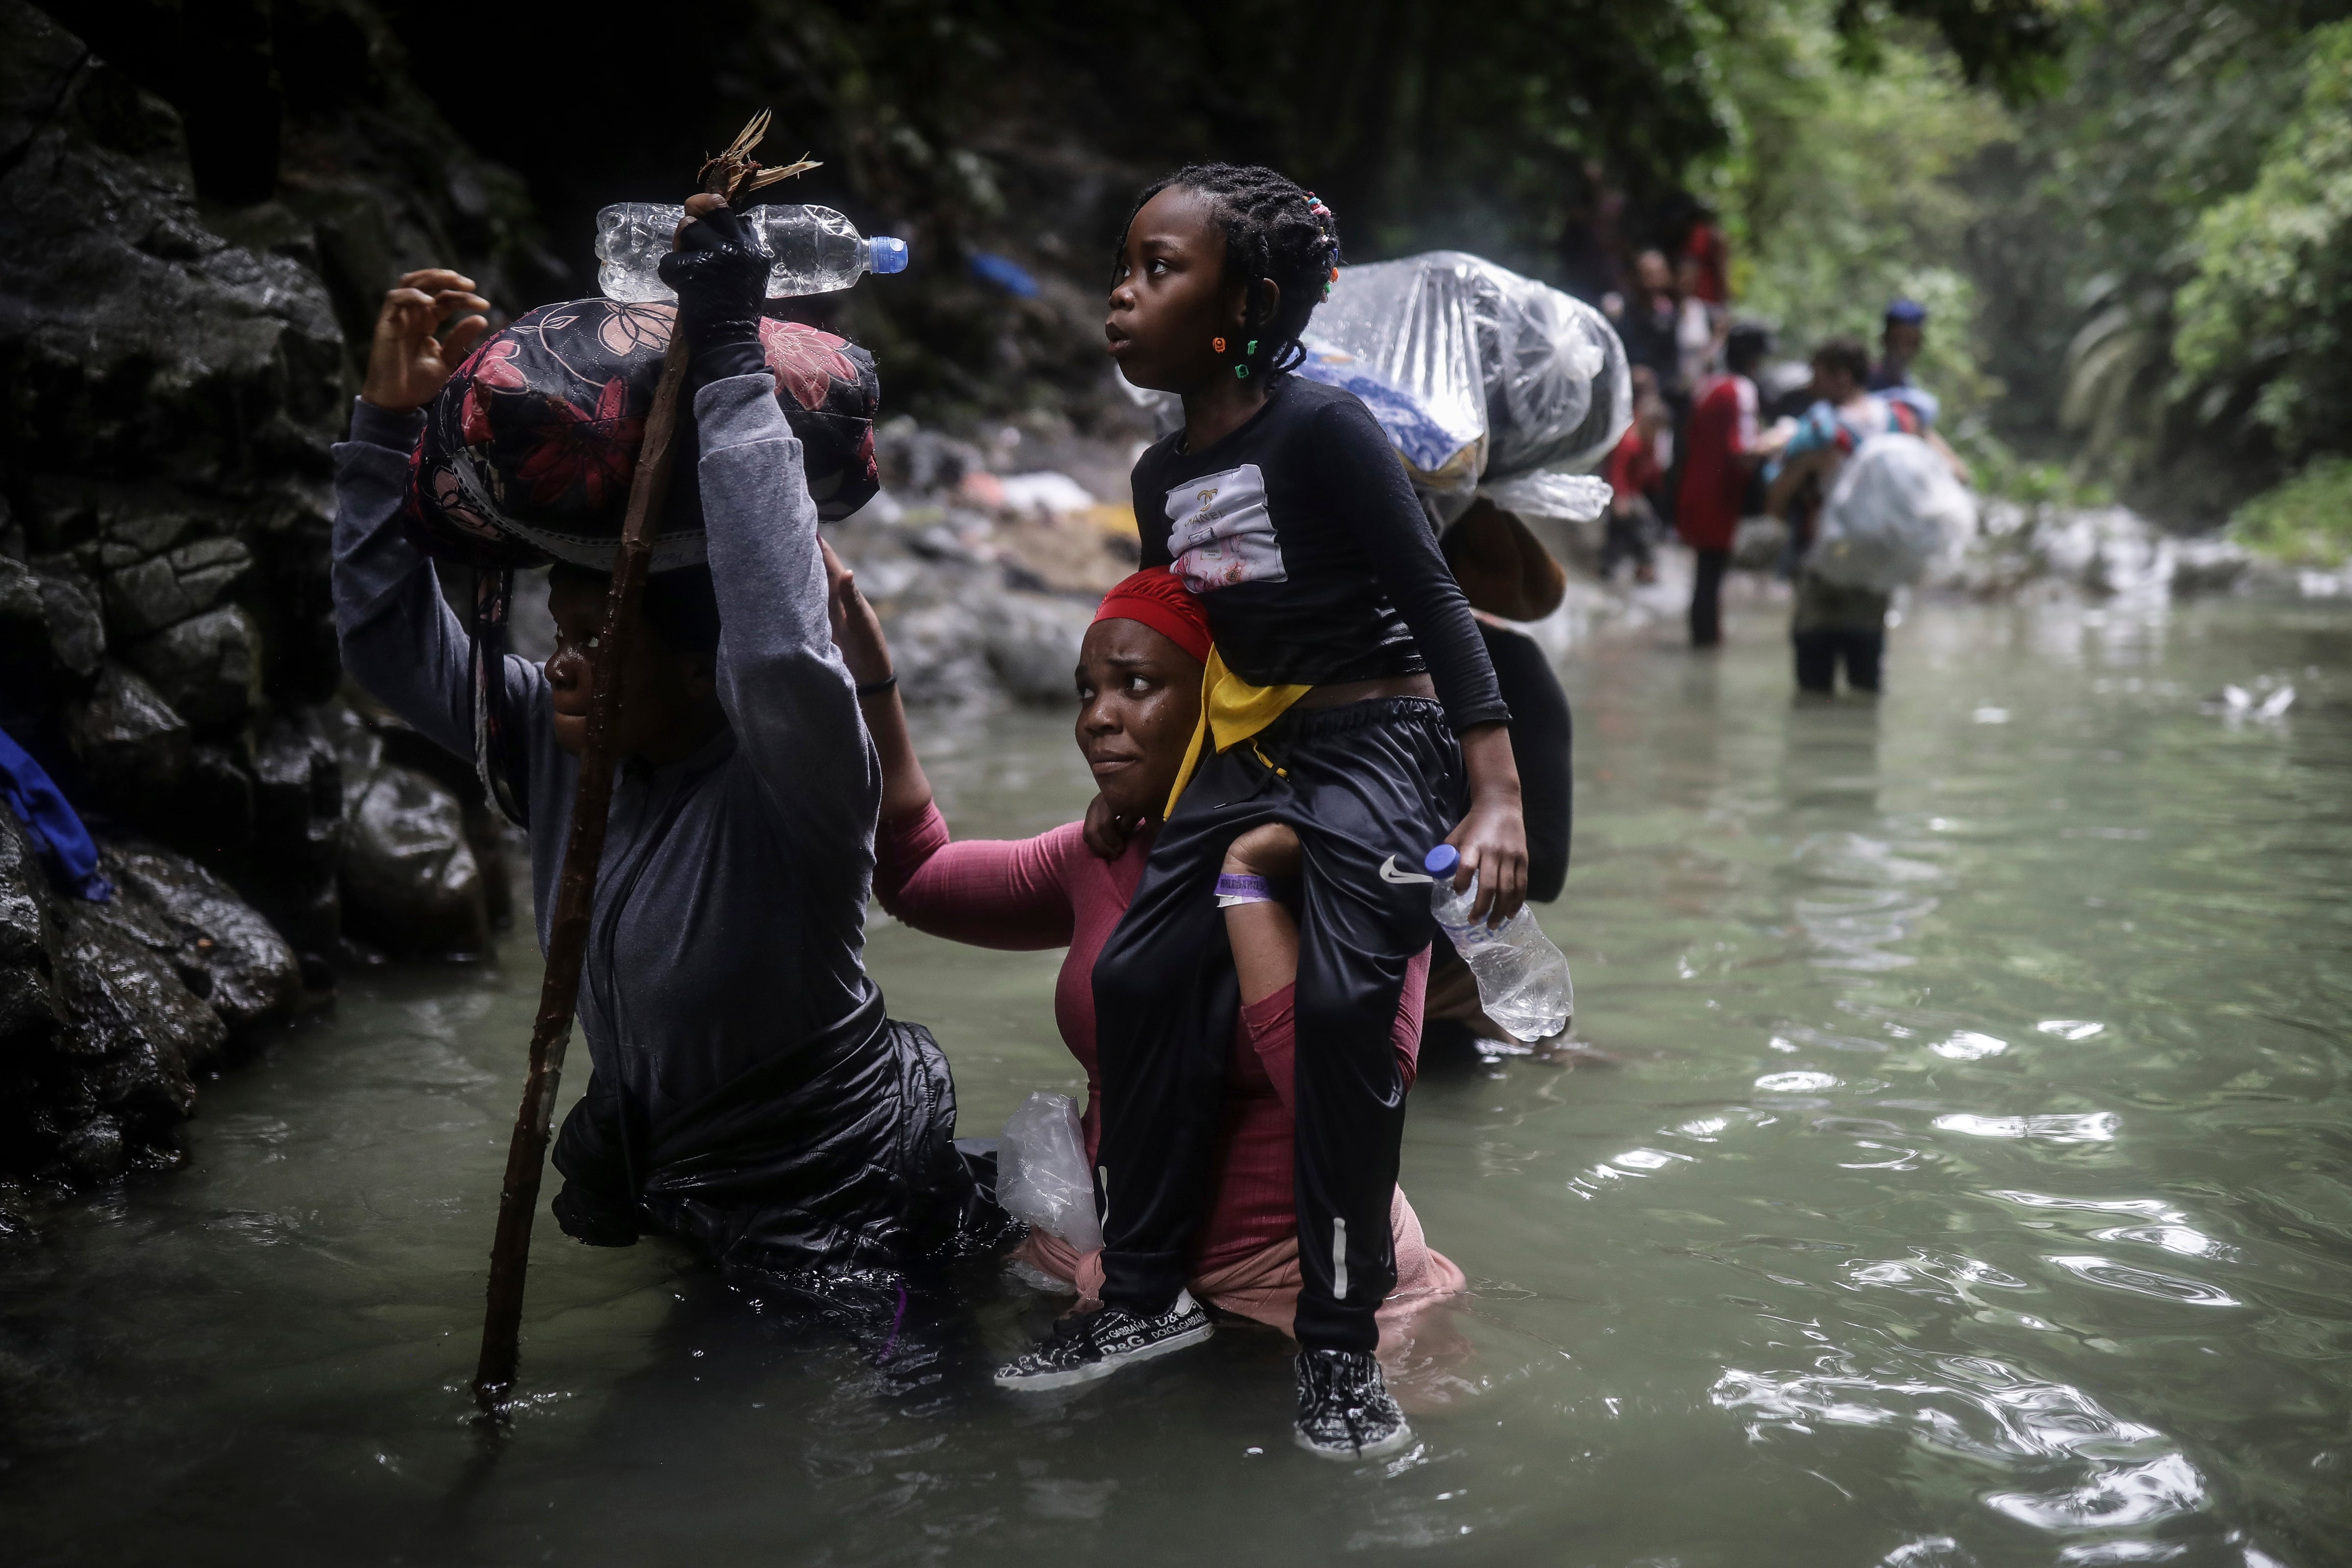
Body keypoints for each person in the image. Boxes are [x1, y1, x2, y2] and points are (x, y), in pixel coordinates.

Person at [331, 223, 990, 1317]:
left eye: (601, 637)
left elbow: (783, 645)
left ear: (702, 672)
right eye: (564, 629)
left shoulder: (794, 780)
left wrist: (733, 361)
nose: (563, 661)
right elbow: (388, 647)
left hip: (839, 1190)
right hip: (684, 1173)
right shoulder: (556, 746)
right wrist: (385, 428)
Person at [993, 163, 1526, 1462]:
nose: (1123, 294)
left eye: (1159, 269)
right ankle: (1143, 1296)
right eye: (1125, 265)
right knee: (1139, 972)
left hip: (1386, 741)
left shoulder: (1324, 430)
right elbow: (1203, 656)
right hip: (1261, 748)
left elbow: (1438, 600)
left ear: (1250, 302)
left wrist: (1496, 789)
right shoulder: (1159, 470)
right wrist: (1139, 794)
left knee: (1348, 1009)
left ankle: (1341, 1353)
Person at [826, 558, 1466, 1360]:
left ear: (1225, 704)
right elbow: (917, 880)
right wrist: (873, 684)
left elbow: (1341, 1104)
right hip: (1105, 1276)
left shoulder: (1352, 861)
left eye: (1135, 685)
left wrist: (1248, 880)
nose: (1097, 717)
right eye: (1087, 691)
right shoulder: (1102, 855)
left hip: (1299, 1291)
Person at [1766, 335, 1958, 695]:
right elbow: (1954, 474)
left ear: (1841, 377)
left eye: (1818, 375)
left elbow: (1777, 501)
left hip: (1823, 567)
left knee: (1814, 686)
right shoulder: (1902, 419)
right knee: (1866, 683)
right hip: (1878, 570)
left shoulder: (1822, 433)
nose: (1811, 385)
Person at [1675, 321, 1778, 647]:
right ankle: (1706, 647)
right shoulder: (1741, 390)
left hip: (1693, 490)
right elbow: (1742, 451)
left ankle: (1703, 645)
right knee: (1710, 577)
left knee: (1705, 577)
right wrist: (1782, 438)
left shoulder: (1707, 385)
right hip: (1719, 498)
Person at [1602, 375, 1669, 584]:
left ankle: (1643, 567)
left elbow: (1652, 474)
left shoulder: (1648, 444)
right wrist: (1621, 497)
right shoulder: (1630, 442)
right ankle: (1615, 567)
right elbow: (1618, 471)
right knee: (1630, 527)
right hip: (1622, 494)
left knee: (1644, 526)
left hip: (1635, 493)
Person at [1867, 297, 1927, 392]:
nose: (1902, 350)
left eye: (1910, 342)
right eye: (1896, 341)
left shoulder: (1911, 389)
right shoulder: (1863, 380)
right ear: (1884, 339)